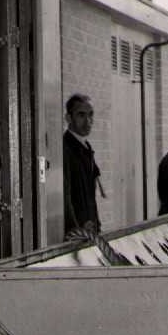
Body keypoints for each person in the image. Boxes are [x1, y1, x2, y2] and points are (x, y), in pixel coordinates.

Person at [62, 92, 103, 238]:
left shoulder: (85, 147)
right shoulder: (65, 148)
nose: (88, 121)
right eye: (81, 115)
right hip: (77, 234)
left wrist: (96, 224)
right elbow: (65, 197)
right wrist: (75, 229)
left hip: (89, 230)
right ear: (68, 118)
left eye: (91, 115)